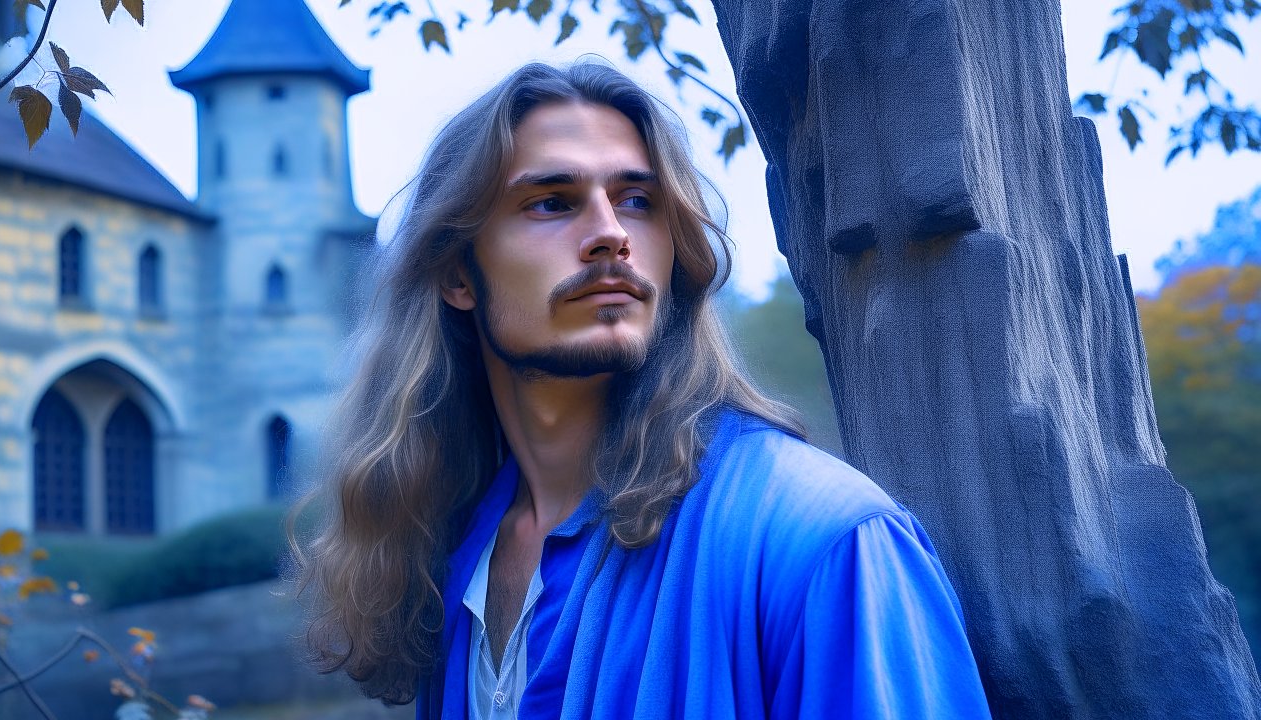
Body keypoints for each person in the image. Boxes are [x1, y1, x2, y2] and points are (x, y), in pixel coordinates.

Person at [291, 61, 992, 719]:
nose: (609, 234)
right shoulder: (453, 556)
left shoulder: (823, 544)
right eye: (552, 202)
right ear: (457, 275)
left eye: (636, 200)